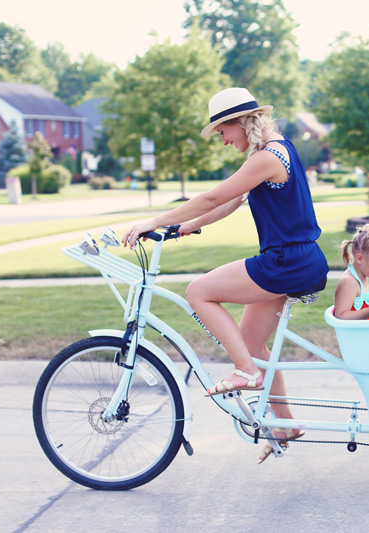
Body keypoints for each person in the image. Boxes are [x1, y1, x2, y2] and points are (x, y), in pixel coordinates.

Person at [122, 87, 329, 459]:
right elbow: (234, 199)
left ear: (240, 121)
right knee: (252, 344)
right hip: (297, 259)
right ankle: (285, 422)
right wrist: (188, 227)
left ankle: (245, 372)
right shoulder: (279, 149)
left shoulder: (267, 157)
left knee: (198, 291)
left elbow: (214, 196)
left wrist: (152, 221)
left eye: (222, 131)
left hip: (284, 261)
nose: (222, 140)